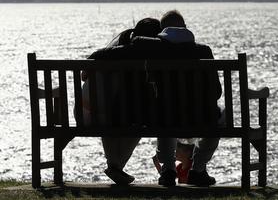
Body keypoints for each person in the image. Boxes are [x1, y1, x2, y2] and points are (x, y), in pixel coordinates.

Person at [83, 17, 163, 185]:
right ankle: (116, 166)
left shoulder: (117, 52)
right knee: (139, 122)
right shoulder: (152, 54)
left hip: (97, 114)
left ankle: (115, 166)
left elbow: (88, 66)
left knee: (117, 119)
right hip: (122, 116)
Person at [154, 10, 221, 187]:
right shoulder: (204, 51)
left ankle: (168, 170)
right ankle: (198, 169)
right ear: (184, 28)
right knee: (221, 116)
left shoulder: (156, 53)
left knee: (163, 112)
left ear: (162, 32)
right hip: (202, 118)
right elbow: (217, 92)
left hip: (167, 118)